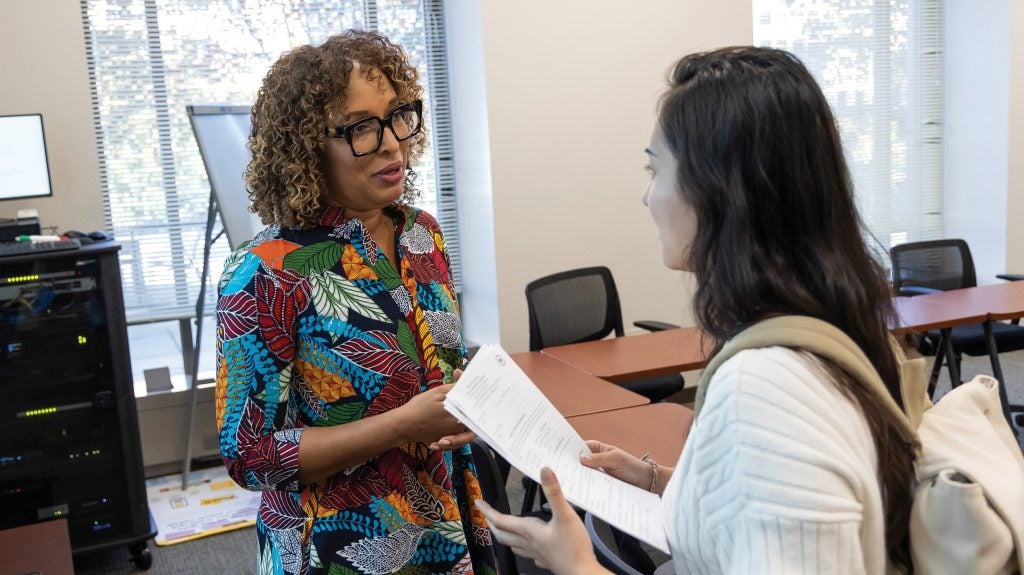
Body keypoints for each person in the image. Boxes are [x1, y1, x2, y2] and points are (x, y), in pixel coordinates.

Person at [475, 47, 920, 574]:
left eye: (655, 168)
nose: (647, 196)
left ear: (719, 191)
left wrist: (576, 566)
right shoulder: (837, 325)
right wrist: (661, 481)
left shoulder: (765, 389)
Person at [215, 30, 495, 575]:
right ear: (308, 148)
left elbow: (440, 379)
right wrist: (399, 425)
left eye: (398, 116)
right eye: (362, 127)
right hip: (336, 549)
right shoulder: (264, 270)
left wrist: (468, 409)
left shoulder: (423, 235)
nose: (393, 142)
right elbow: (249, 456)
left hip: (444, 523)